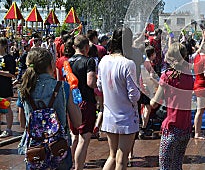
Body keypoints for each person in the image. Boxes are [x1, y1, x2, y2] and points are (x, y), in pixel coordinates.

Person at [17, 47, 81, 169]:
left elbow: (22, 123)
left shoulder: (24, 89)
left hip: (35, 152)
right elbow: (77, 122)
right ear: (51, 65)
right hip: (58, 149)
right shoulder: (62, 87)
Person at [97, 28, 141, 170]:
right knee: (122, 160)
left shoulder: (104, 61)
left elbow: (99, 86)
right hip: (126, 116)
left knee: (112, 156)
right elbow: (133, 95)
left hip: (109, 114)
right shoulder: (128, 64)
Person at [150, 42, 194, 170]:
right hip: (185, 129)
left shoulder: (167, 76)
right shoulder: (189, 76)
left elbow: (154, 103)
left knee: (165, 167)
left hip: (171, 129)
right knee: (177, 166)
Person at [69, 35, 97, 170]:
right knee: (83, 139)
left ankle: (69, 164)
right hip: (85, 102)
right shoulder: (89, 61)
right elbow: (90, 82)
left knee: (74, 136)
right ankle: (78, 167)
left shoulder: (67, 62)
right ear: (86, 47)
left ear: (74, 47)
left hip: (71, 102)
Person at [0, 37, 16, 138]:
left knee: (6, 107)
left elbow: (12, 74)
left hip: (5, 87)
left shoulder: (9, 58)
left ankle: (8, 129)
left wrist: (1, 72)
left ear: (4, 46)